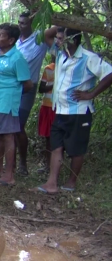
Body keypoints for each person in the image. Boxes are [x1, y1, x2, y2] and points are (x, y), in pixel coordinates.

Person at [36, 28, 112, 194]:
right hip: (60, 110)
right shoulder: (61, 54)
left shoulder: (88, 57)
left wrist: (91, 94)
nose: (57, 41)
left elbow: (109, 74)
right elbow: (45, 35)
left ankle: (71, 182)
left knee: (76, 148)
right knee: (56, 146)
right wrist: (63, 23)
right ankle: (52, 183)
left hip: (78, 111)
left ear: (73, 40)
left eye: (61, 38)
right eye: (58, 38)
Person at [0, 23, 33, 187]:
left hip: (6, 103)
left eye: (1, 35)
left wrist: (11, 94)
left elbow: (27, 84)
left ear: (12, 40)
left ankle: (9, 174)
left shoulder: (17, 58)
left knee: (8, 136)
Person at [14, 11, 58, 176]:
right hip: (12, 88)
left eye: (24, 23)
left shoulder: (39, 38)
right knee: (9, 126)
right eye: (19, 22)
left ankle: (23, 165)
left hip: (28, 88)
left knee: (18, 125)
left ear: (32, 24)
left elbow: (59, 26)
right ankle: (12, 164)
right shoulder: (16, 41)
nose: (20, 25)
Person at [36, 36, 59, 173]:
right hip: (48, 106)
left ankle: (55, 166)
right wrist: (53, 84)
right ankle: (47, 166)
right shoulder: (49, 68)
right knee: (48, 138)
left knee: (58, 138)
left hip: (60, 107)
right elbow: (41, 88)